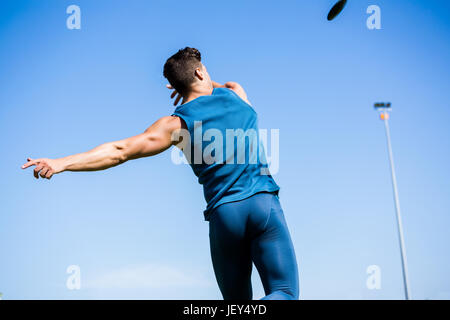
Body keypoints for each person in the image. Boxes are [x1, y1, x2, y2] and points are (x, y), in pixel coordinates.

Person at [21, 47, 299, 300]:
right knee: (283, 292)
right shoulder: (236, 98)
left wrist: (61, 163)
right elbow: (230, 84)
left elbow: (120, 150)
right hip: (263, 204)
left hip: (224, 216)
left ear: (178, 84)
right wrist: (194, 81)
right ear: (200, 72)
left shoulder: (175, 124)